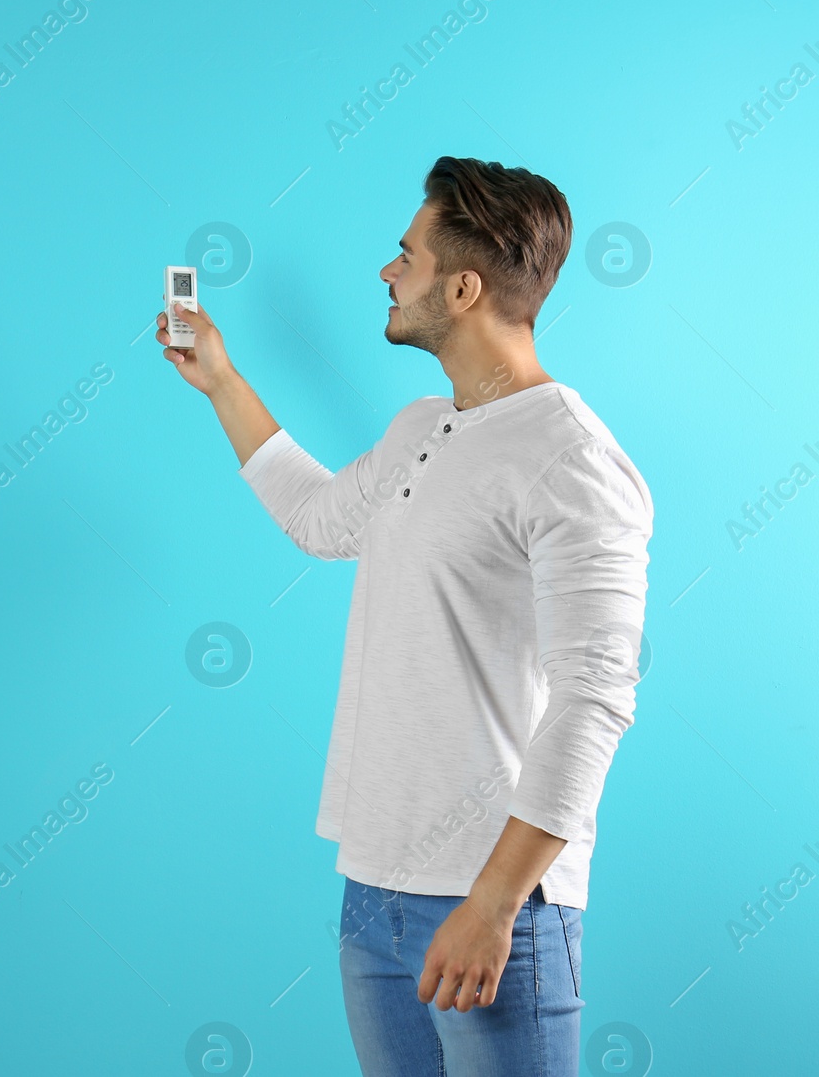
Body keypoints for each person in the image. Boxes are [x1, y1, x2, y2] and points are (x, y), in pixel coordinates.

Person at [159, 157, 652, 1075]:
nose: (388, 272)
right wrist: (221, 381)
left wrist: (496, 903)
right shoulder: (424, 426)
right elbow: (319, 521)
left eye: (406, 256)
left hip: (493, 905)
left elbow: (595, 698)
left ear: (462, 288)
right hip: (373, 889)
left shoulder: (574, 463)